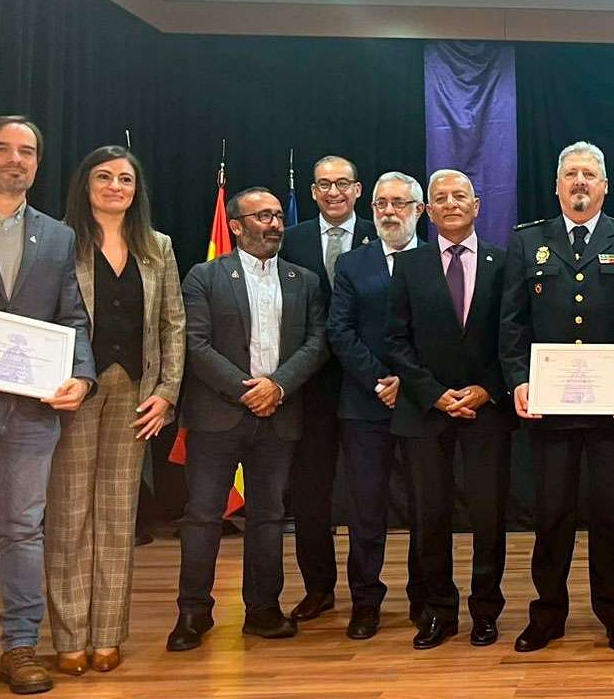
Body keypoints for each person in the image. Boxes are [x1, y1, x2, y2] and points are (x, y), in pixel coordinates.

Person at [502, 141, 614, 653]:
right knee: (551, 515)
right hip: (549, 408)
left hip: (612, 406)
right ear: (556, 185)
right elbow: (512, 326)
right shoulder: (529, 242)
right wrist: (518, 381)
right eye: (570, 173)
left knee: (612, 514)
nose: (579, 182)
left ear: (605, 186)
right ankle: (547, 614)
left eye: (590, 174)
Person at [0, 115, 94, 699]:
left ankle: (20, 648)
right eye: (1, 150)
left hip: (33, 410)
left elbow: (72, 318)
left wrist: (81, 377)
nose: (15, 160)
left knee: (22, 530)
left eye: (27, 151)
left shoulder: (59, 236)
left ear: (38, 163)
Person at [168, 187, 328, 652]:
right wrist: (248, 391)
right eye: (263, 216)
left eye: (278, 216)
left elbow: (317, 343)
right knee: (202, 517)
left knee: (269, 517)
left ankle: (263, 610)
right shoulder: (204, 276)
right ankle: (193, 613)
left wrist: (276, 387)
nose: (275, 224)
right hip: (218, 416)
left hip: (279, 414)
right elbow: (194, 345)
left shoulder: (305, 280)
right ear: (235, 226)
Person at [45, 145, 184, 676]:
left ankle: (107, 635)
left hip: (136, 394)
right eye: (103, 177)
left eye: (125, 178)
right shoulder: (60, 242)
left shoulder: (158, 247)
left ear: (136, 189)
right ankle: (69, 637)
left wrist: (167, 392)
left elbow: (173, 324)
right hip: (74, 393)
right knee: (69, 517)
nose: (114, 187)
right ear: (85, 185)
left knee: (117, 518)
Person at [387, 169, 514, 650]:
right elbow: (395, 342)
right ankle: (438, 611)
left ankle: (486, 610)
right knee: (430, 516)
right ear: (427, 211)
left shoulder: (505, 264)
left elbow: (514, 339)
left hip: (488, 409)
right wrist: (434, 393)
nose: (450, 203)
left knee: (488, 515)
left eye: (459, 196)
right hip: (425, 411)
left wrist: (487, 388)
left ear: (477, 205)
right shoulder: (410, 265)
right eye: (439, 198)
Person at [277, 155, 377, 624]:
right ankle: (318, 589)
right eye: (323, 185)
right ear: (313, 193)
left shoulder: (383, 235)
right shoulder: (290, 241)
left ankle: (365, 595)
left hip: (368, 384)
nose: (333, 192)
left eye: (342, 184)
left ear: (359, 190)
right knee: (310, 496)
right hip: (309, 387)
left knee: (363, 495)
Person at [325, 170, 424, 640]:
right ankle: (365, 602)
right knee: (366, 511)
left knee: (427, 508)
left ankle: (426, 599)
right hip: (364, 405)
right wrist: (379, 380)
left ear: (418, 211)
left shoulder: (434, 261)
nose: (389, 211)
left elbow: (444, 336)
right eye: (382, 203)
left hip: (422, 405)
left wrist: (408, 383)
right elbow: (339, 331)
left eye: (400, 204)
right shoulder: (352, 264)